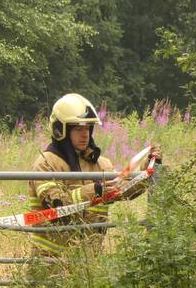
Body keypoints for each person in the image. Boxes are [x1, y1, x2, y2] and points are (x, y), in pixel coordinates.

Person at [27, 93, 161, 256]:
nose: (85, 134)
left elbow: (124, 190)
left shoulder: (101, 164)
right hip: (49, 264)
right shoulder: (46, 163)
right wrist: (96, 190)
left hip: (89, 263)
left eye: (88, 128)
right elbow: (56, 207)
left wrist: (147, 167)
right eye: (78, 128)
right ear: (60, 130)